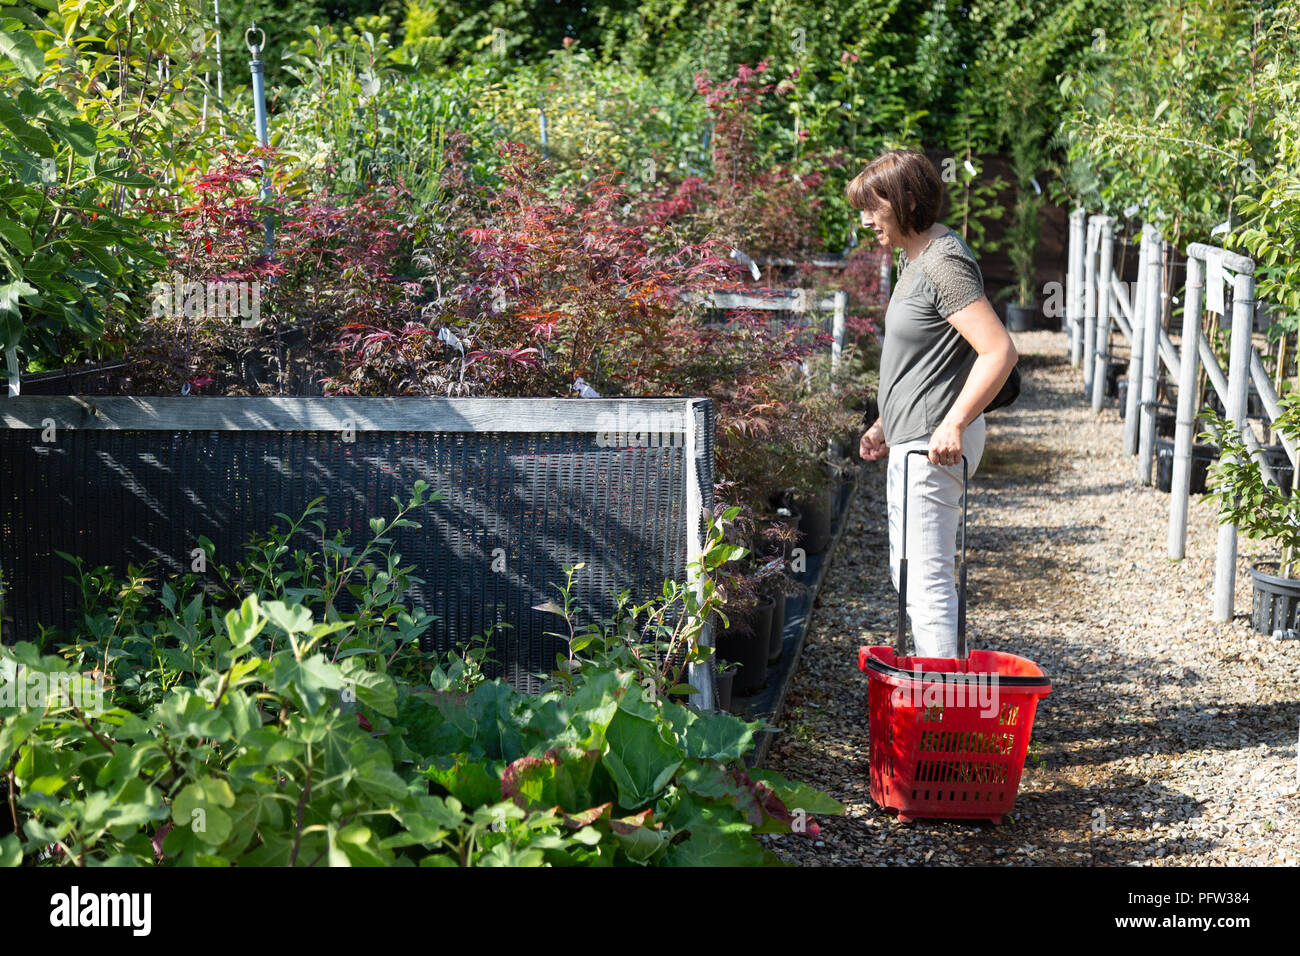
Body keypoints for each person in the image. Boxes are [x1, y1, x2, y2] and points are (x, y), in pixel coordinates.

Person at [846, 149, 1018, 659]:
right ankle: (939, 698)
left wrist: (955, 422)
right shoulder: (915, 256)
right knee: (910, 574)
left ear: (904, 202)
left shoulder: (944, 263)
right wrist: (882, 422)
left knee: (927, 582)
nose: (865, 219)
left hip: (933, 446)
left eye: (873, 207)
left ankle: (942, 713)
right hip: (912, 435)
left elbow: (999, 350)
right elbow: (925, 357)